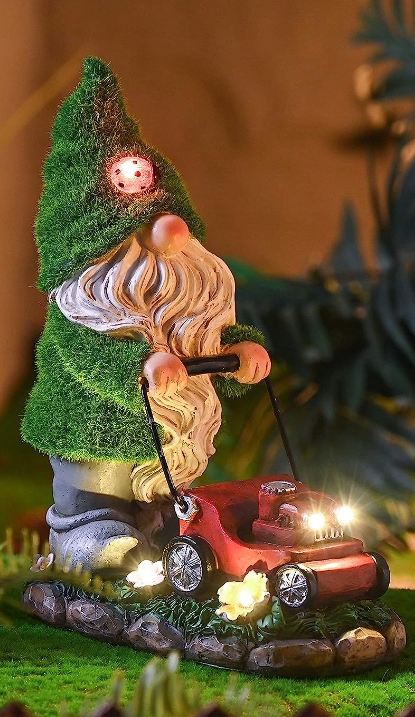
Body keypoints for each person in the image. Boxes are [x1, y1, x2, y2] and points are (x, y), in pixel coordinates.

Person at [22, 58, 270, 571]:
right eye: (136, 231)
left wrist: (238, 351)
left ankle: (163, 534)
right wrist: (141, 365)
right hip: (95, 433)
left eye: (164, 217)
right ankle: (85, 532)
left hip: (168, 445)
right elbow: (89, 357)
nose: (167, 237)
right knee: (97, 483)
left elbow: (203, 336)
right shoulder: (84, 311)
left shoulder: (186, 298)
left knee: (165, 503)